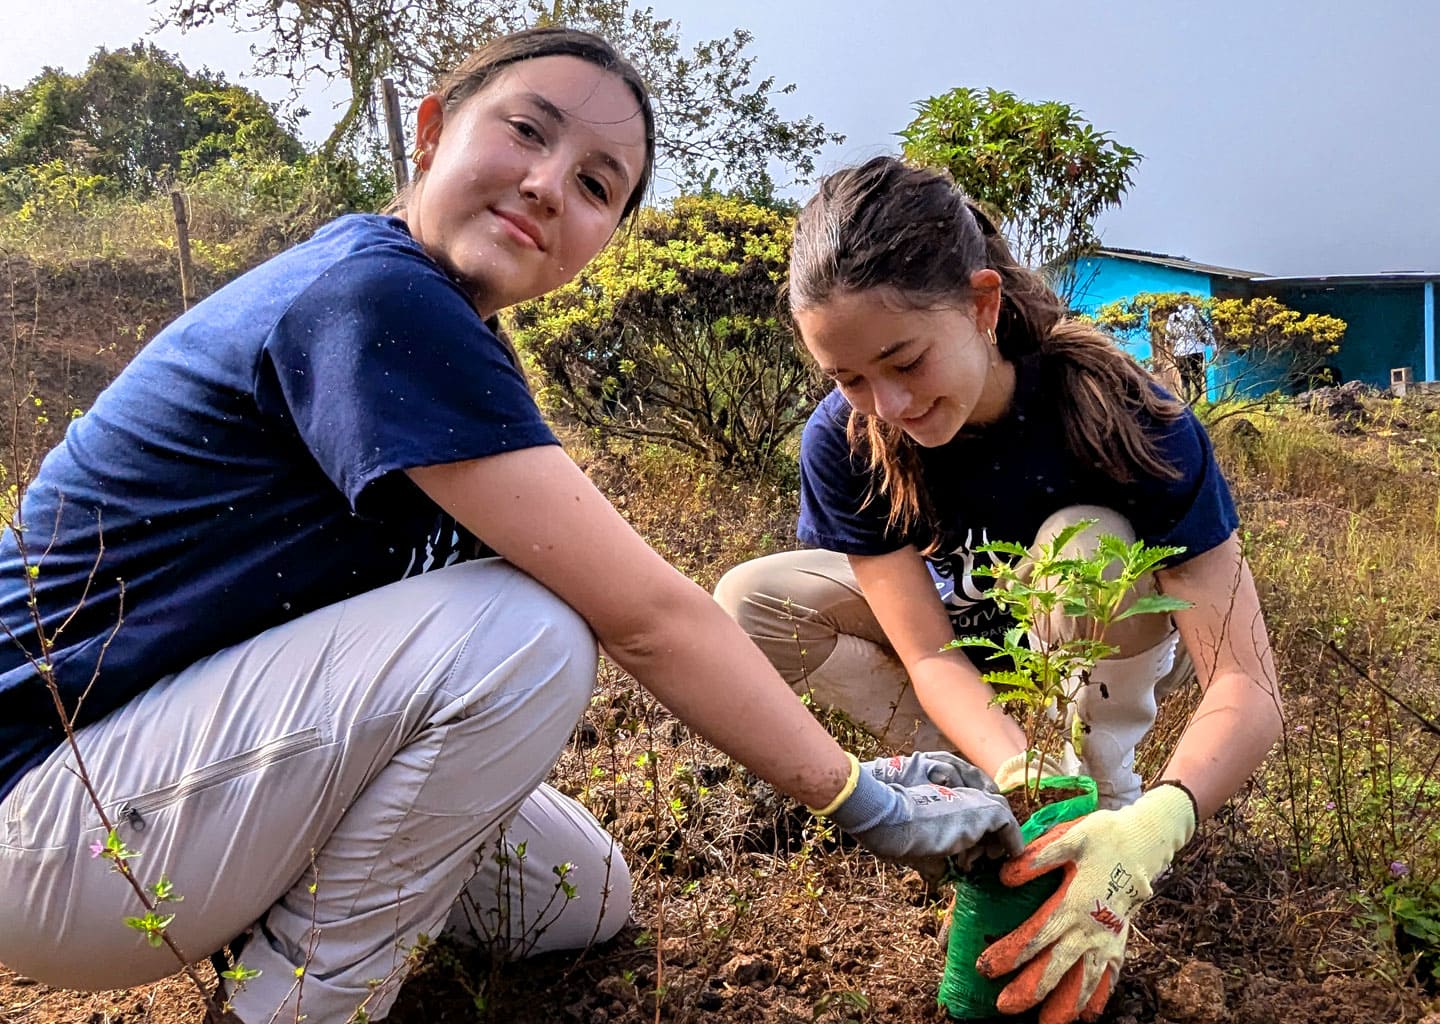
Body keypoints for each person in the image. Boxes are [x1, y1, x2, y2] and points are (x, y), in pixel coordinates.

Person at [0, 37, 1024, 1024]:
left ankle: (269, 908)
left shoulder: (452, 334)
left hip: (160, 773)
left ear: (606, 239)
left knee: (578, 898)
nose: (546, 183)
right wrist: (854, 794)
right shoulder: (370, 295)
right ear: (433, 131)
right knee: (523, 632)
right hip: (49, 808)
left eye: (595, 185)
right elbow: (645, 615)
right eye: (526, 132)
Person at [714, 156, 1284, 1024]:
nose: (889, 403)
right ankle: (1004, 787)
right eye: (850, 378)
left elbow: (1249, 686)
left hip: (1098, 654)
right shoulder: (848, 439)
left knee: (1081, 545)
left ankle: (1103, 793)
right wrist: (1016, 761)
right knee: (753, 599)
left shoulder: (1130, 418)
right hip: (972, 671)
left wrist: (1161, 827)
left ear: (983, 305)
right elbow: (930, 652)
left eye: (904, 359)